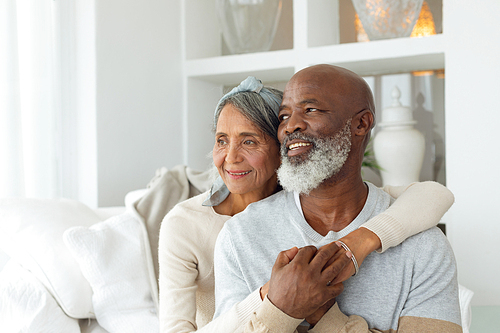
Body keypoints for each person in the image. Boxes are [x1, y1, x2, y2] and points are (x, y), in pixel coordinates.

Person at [158, 76, 455, 332]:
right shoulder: (218, 231)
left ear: (281, 148)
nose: (231, 157)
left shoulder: (414, 233)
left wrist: (358, 244)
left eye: (249, 141)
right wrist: (276, 298)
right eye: (221, 140)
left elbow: (434, 195)